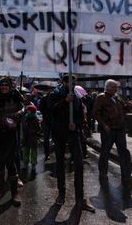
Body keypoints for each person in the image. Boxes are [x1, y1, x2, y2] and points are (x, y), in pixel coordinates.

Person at [49, 74, 95, 212]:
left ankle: (80, 198)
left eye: (74, 82)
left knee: (79, 163)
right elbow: (52, 111)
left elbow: (81, 115)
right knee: (60, 163)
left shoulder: (77, 96)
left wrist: (77, 125)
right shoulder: (55, 94)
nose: (72, 84)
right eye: (69, 82)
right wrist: (64, 101)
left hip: (74, 134)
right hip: (60, 134)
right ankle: (61, 194)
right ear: (63, 82)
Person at [0, 77, 25, 207]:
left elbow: (23, 109)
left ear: (10, 86)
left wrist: (16, 115)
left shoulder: (15, 97)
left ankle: (14, 193)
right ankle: (1, 189)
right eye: (2, 85)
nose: (3, 87)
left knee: (11, 162)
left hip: (11, 134)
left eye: (6, 85)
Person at [93, 79, 132, 190]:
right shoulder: (101, 97)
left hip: (120, 129)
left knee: (124, 153)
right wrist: (104, 124)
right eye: (114, 87)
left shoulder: (117, 97)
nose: (116, 89)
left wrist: (128, 105)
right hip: (108, 130)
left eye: (116, 87)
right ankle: (103, 173)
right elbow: (96, 113)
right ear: (108, 87)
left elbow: (124, 108)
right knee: (105, 152)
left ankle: (126, 176)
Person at [21, 102, 42, 175]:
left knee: (33, 152)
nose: (27, 111)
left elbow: (39, 129)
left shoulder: (35, 119)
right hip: (26, 137)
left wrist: (33, 132)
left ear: (32, 111)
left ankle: (33, 164)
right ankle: (25, 163)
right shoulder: (26, 117)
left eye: (29, 110)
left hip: (32, 138)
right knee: (25, 151)